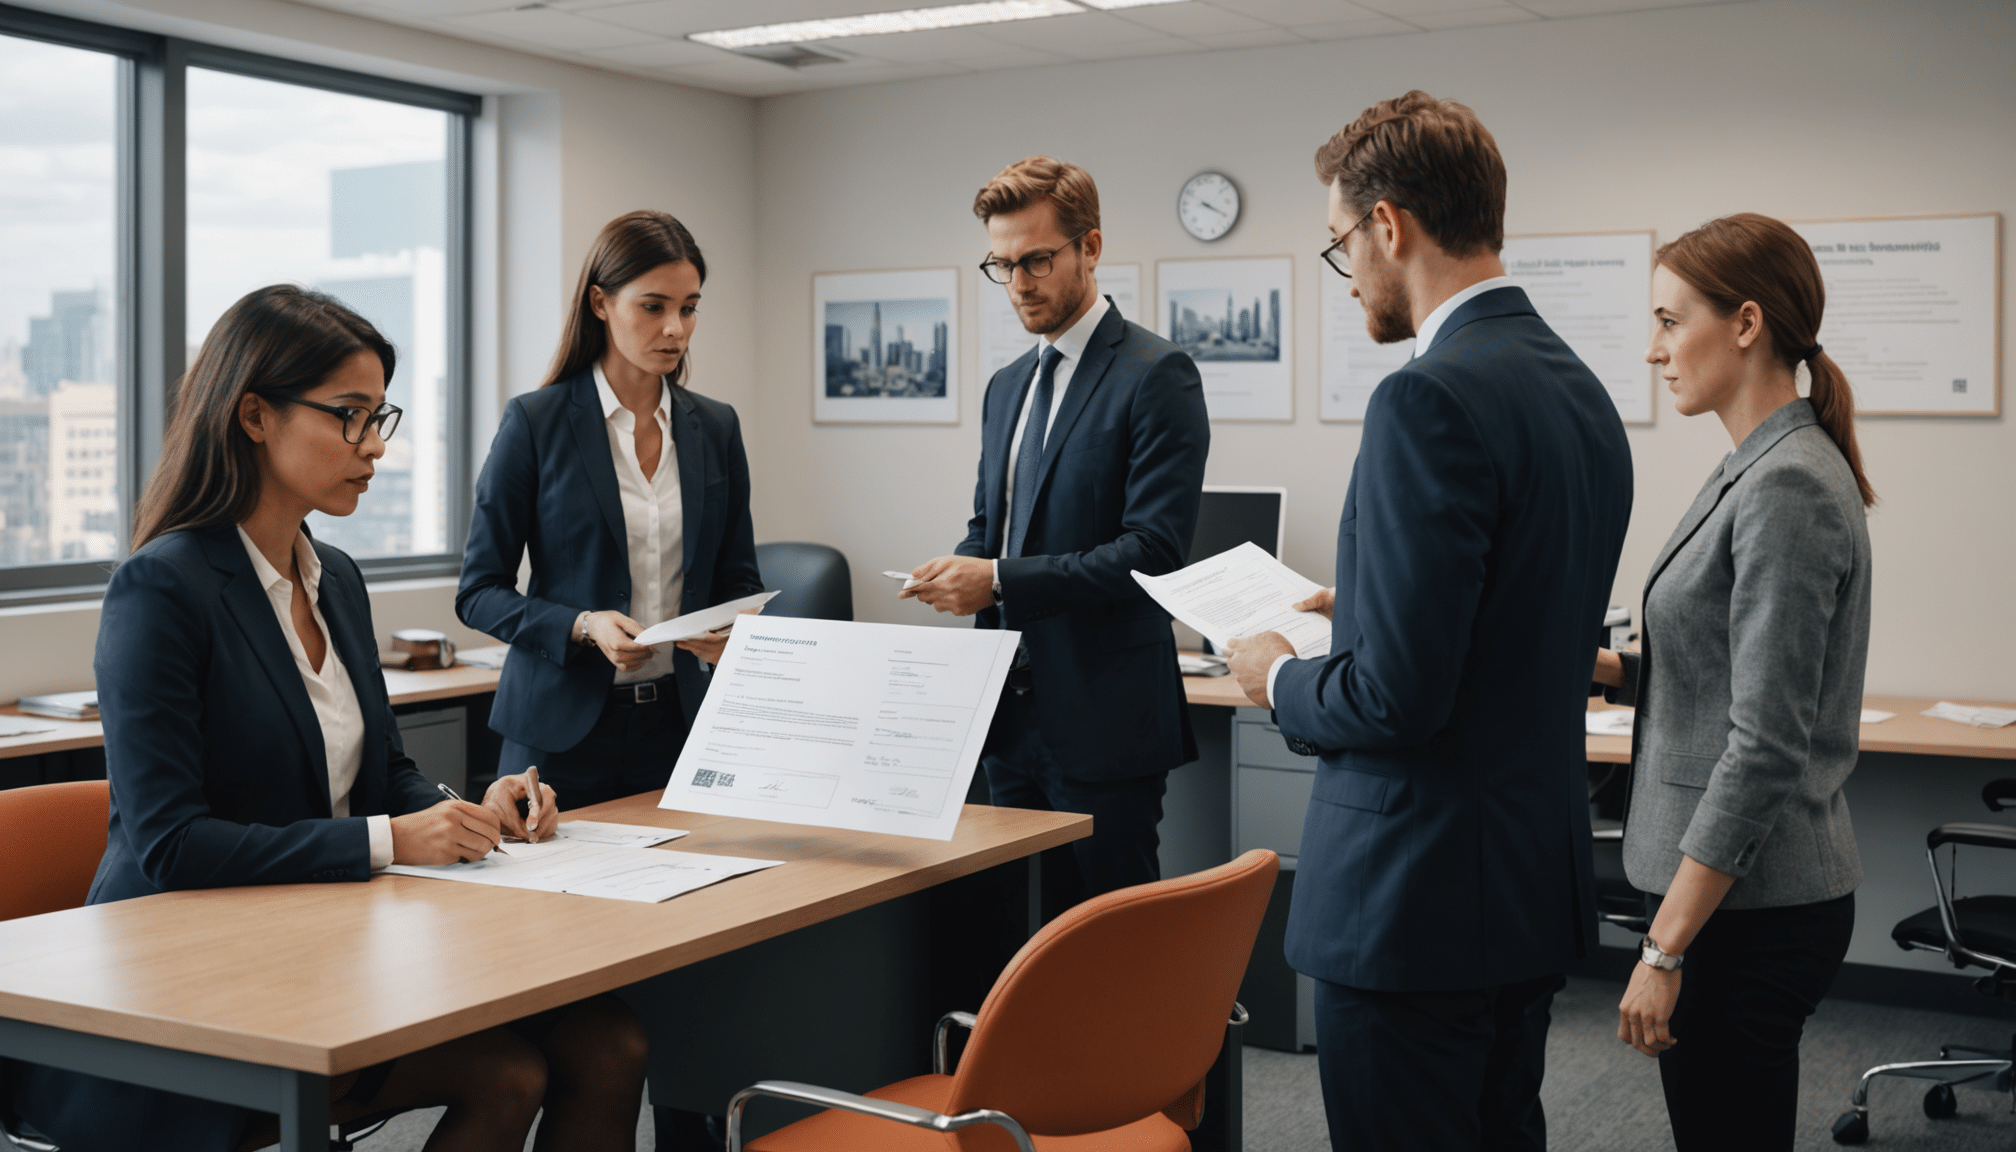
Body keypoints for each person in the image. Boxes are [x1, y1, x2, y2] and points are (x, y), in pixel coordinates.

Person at [14, 285, 647, 1152]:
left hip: (324, 946)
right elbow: (172, 844)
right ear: (253, 416)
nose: (377, 445)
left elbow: (381, 774)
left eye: (379, 414)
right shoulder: (163, 588)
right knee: (510, 1071)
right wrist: (393, 840)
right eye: (350, 416)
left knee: (610, 1043)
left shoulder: (338, 578)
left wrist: (466, 812)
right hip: (177, 991)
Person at [1223, 91, 1633, 1150]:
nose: (1347, 274)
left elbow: (1395, 695)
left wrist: (1272, 674)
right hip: (1527, 884)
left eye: (1338, 246)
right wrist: (1358, 601)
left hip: (1413, 906)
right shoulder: (1578, 389)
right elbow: (1517, 616)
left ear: (1388, 225)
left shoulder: (1427, 398)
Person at [1597, 213, 1873, 1151]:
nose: (1653, 349)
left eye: (1672, 322)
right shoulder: (1754, 465)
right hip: (1736, 899)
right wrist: (1607, 668)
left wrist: (1664, 947)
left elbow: (1762, 744)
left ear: (1746, 323)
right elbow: (1726, 665)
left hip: (1744, 913)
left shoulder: (1786, 485)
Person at [902, 156, 1209, 917]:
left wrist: (1000, 579)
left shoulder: (1156, 373)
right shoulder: (1007, 386)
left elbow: (1153, 551)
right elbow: (992, 528)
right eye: (1001, 265)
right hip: (1007, 717)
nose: (1018, 284)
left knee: (1117, 946)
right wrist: (959, 568)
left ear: (1091, 248)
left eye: (1036, 260)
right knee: (1023, 941)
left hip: (1104, 722)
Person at [458, 210, 763, 810]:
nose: (676, 328)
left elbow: (739, 579)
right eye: (653, 307)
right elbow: (479, 591)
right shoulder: (535, 422)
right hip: (557, 737)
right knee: (547, 904)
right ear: (600, 303)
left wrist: (732, 632)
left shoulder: (717, 427)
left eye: (690, 307)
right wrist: (582, 624)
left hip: (681, 729)